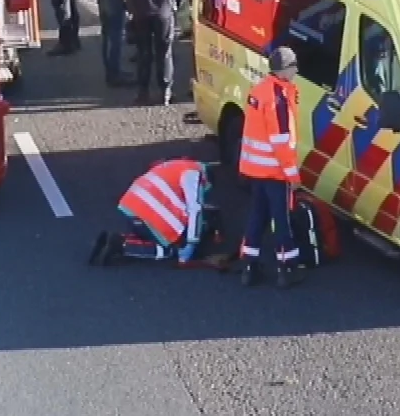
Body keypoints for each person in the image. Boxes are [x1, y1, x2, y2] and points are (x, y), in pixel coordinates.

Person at [238, 46, 306, 288]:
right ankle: (287, 268)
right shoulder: (279, 98)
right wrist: (293, 175)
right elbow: (281, 142)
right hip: (274, 171)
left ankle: (249, 265)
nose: (296, 70)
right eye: (294, 66)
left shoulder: (260, 91)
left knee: (257, 215)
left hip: (255, 169)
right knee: (281, 219)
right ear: (285, 70)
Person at [89, 158, 223, 266]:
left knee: (151, 235)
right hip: (150, 213)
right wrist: (191, 243)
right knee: (167, 250)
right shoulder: (195, 174)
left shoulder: (176, 165)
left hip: (131, 208)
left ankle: (110, 239)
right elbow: (195, 208)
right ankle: (123, 246)